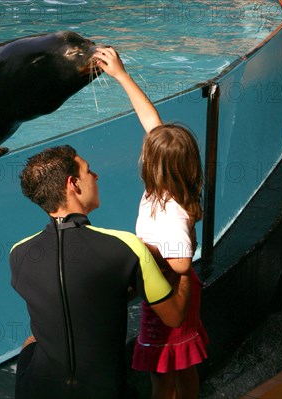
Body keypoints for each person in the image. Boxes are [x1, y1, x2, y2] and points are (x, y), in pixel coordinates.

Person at [10, 145, 192, 399]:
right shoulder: (125, 246)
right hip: (105, 392)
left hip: (36, 391)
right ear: (73, 184)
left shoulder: (18, 253)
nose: (96, 176)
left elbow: (72, 293)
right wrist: (184, 270)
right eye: (89, 171)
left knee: (31, 342)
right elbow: (173, 317)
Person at [95, 47, 209, 399]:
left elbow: (181, 262)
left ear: (154, 165)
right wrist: (121, 75)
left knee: (161, 371)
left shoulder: (171, 209)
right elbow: (152, 121)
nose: (143, 150)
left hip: (169, 295)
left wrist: (142, 253)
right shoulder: (166, 187)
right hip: (173, 290)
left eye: (147, 152)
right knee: (184, 364)